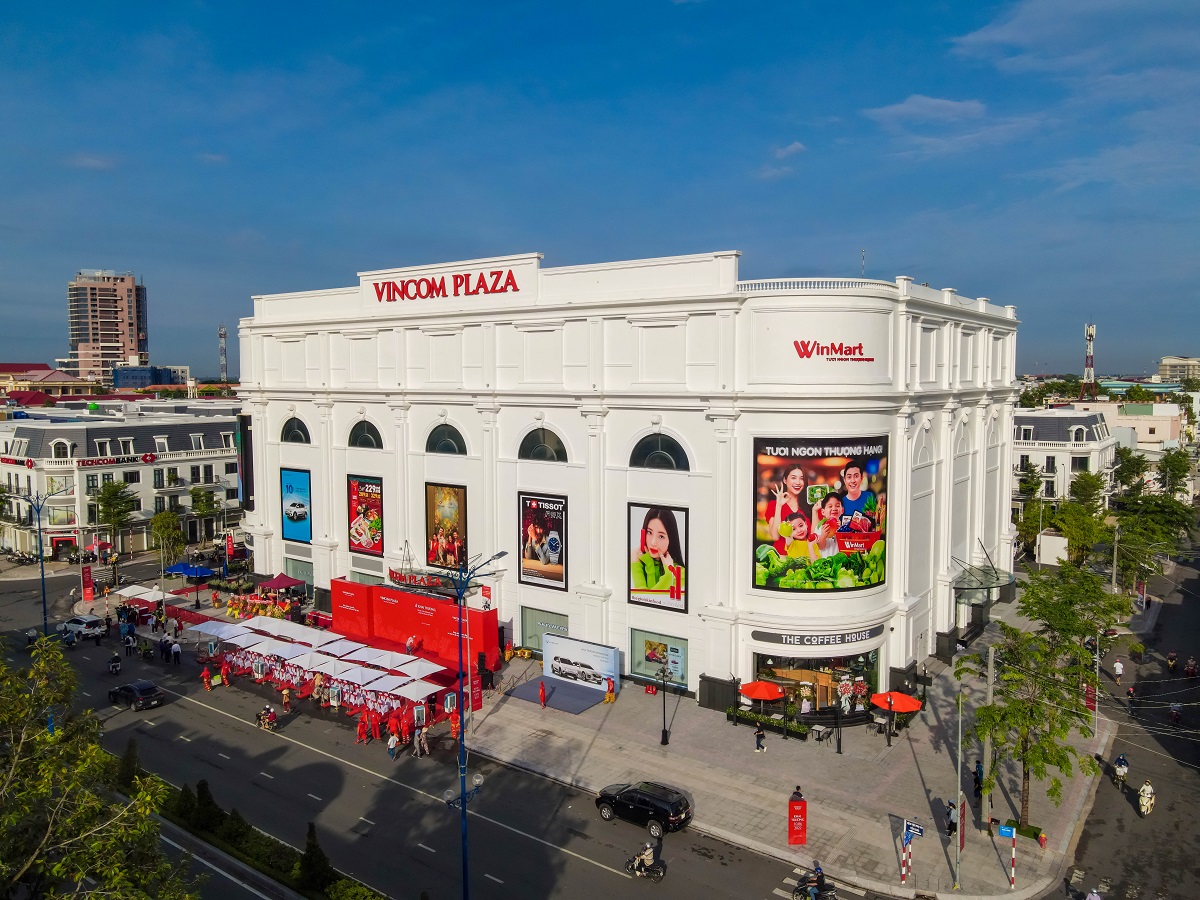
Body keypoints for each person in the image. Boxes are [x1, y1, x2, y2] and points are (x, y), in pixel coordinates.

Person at [630, 507, 687, 595]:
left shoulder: (680, 572)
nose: (653, 542)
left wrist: (669, 574)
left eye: (661, 536)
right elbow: (642, 596)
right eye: (649, 532)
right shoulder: (637, 556)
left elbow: (652, 599)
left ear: (671, 540)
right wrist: (649, 564)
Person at [764, 465, 810, 556]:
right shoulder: (774, 505)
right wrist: (779, 505)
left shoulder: (810, 505)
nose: (798, 482)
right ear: (785, 480)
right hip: (782, 558)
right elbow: (775, 536)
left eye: (801, 478)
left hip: (805, 558)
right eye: (793, 478)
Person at [839, 460, 877, 531]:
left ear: (861, 478)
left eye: (856, 476)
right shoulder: (840, 503)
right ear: (844, 480)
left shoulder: (869, 497)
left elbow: (878, 523)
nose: (853, 480)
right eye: (849, 477)